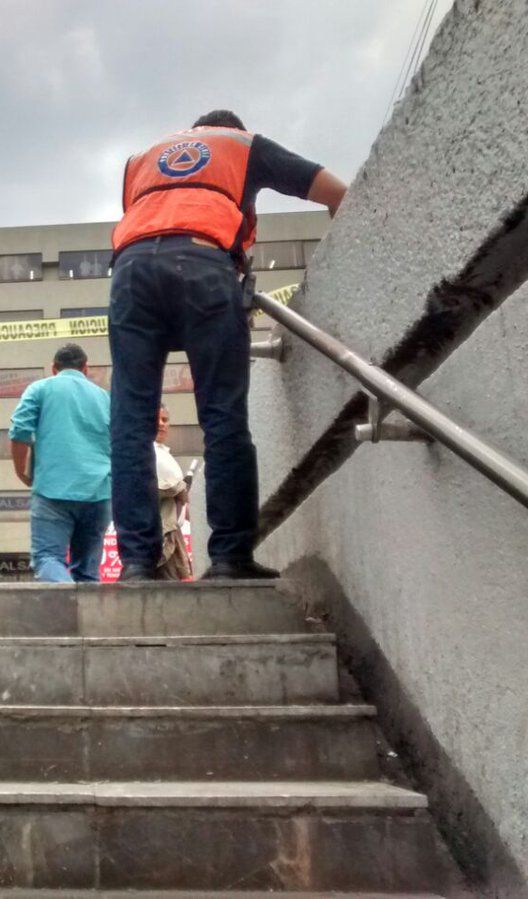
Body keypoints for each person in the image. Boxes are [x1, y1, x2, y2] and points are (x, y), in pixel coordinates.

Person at [107, 109, 348, 580]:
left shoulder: (141, 158)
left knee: (131, 425)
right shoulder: (241, 144)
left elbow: (150, 219)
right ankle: (230, 559)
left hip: (131, 272)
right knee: (222, 418)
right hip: (203, 265)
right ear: (231, 127)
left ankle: (137, 563)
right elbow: (335, 193)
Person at [8, 344, 111, 583]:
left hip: (52, 490)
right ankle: (88, 619)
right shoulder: (104, 397)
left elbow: (20, 431)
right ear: (86, 369)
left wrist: (21, 471)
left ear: (53, 369)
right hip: (99, 492)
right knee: (87, 571)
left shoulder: (40, 388)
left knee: (47, 558)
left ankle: (66, 613)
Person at [154, 405, 193, 581]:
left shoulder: (165, 453)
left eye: (165, 420)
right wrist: (178, 489)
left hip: (173, 529)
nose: (162, 424)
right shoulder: (147, 452)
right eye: (157, 419)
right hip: (160, 530)